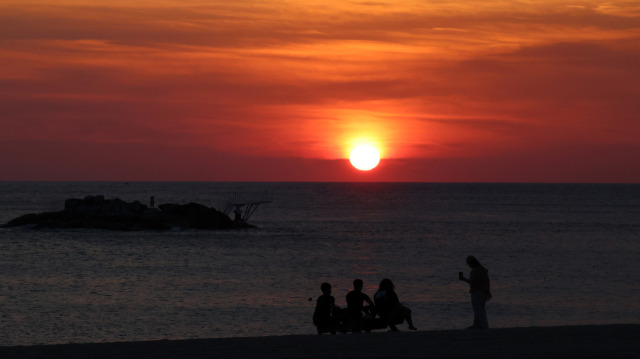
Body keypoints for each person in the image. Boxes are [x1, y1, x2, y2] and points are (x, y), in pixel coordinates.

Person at [459, 255, 492, 329]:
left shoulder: (475, 271)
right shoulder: (482, 270)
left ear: (473, 263)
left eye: (469, 264)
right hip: (482, 293)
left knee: (478, 310)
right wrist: (488, 291)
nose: (469, 266)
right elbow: (487, 282)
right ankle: (478, 325)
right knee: (480, 309)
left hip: (476, 292)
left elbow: (473, 282)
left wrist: (463, 279)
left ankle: (483, 326)